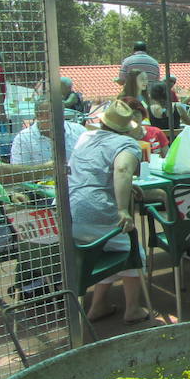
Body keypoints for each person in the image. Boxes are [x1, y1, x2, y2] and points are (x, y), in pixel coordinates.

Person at [68, 100, 152, 324]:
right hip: (97, 213)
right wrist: (123, 209)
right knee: (133, 252)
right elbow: (123, 169)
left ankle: (98, 306)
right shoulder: (126, 144)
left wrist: (123, 188)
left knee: (112, 247)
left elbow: (93, 171)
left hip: (70, 214)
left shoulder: (85, 137)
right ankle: (132, 309)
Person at [10, 98, 85, 164]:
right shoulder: (23, 139)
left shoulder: (79, 131)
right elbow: (20, 173)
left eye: (60, 112)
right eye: (51, 114)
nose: (57, 117)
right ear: (38, 116)